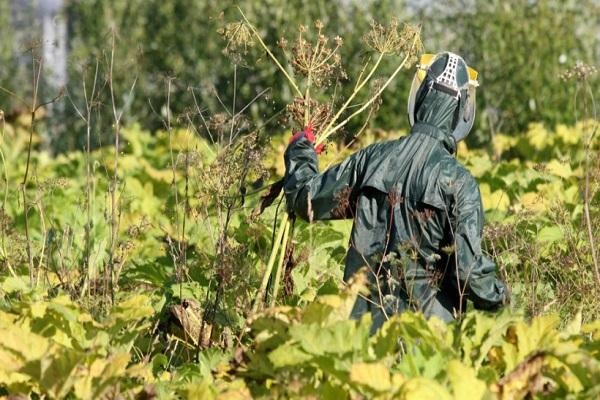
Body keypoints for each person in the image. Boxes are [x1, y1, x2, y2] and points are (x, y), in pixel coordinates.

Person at [283, 52, 508, 329]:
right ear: (462, 112)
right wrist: (503, 301)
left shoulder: (373, 158)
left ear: (421, 97)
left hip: (362, 333)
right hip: (426, 341)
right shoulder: (461, 184)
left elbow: (304, 199)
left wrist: (301, 149)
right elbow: (470, 273)